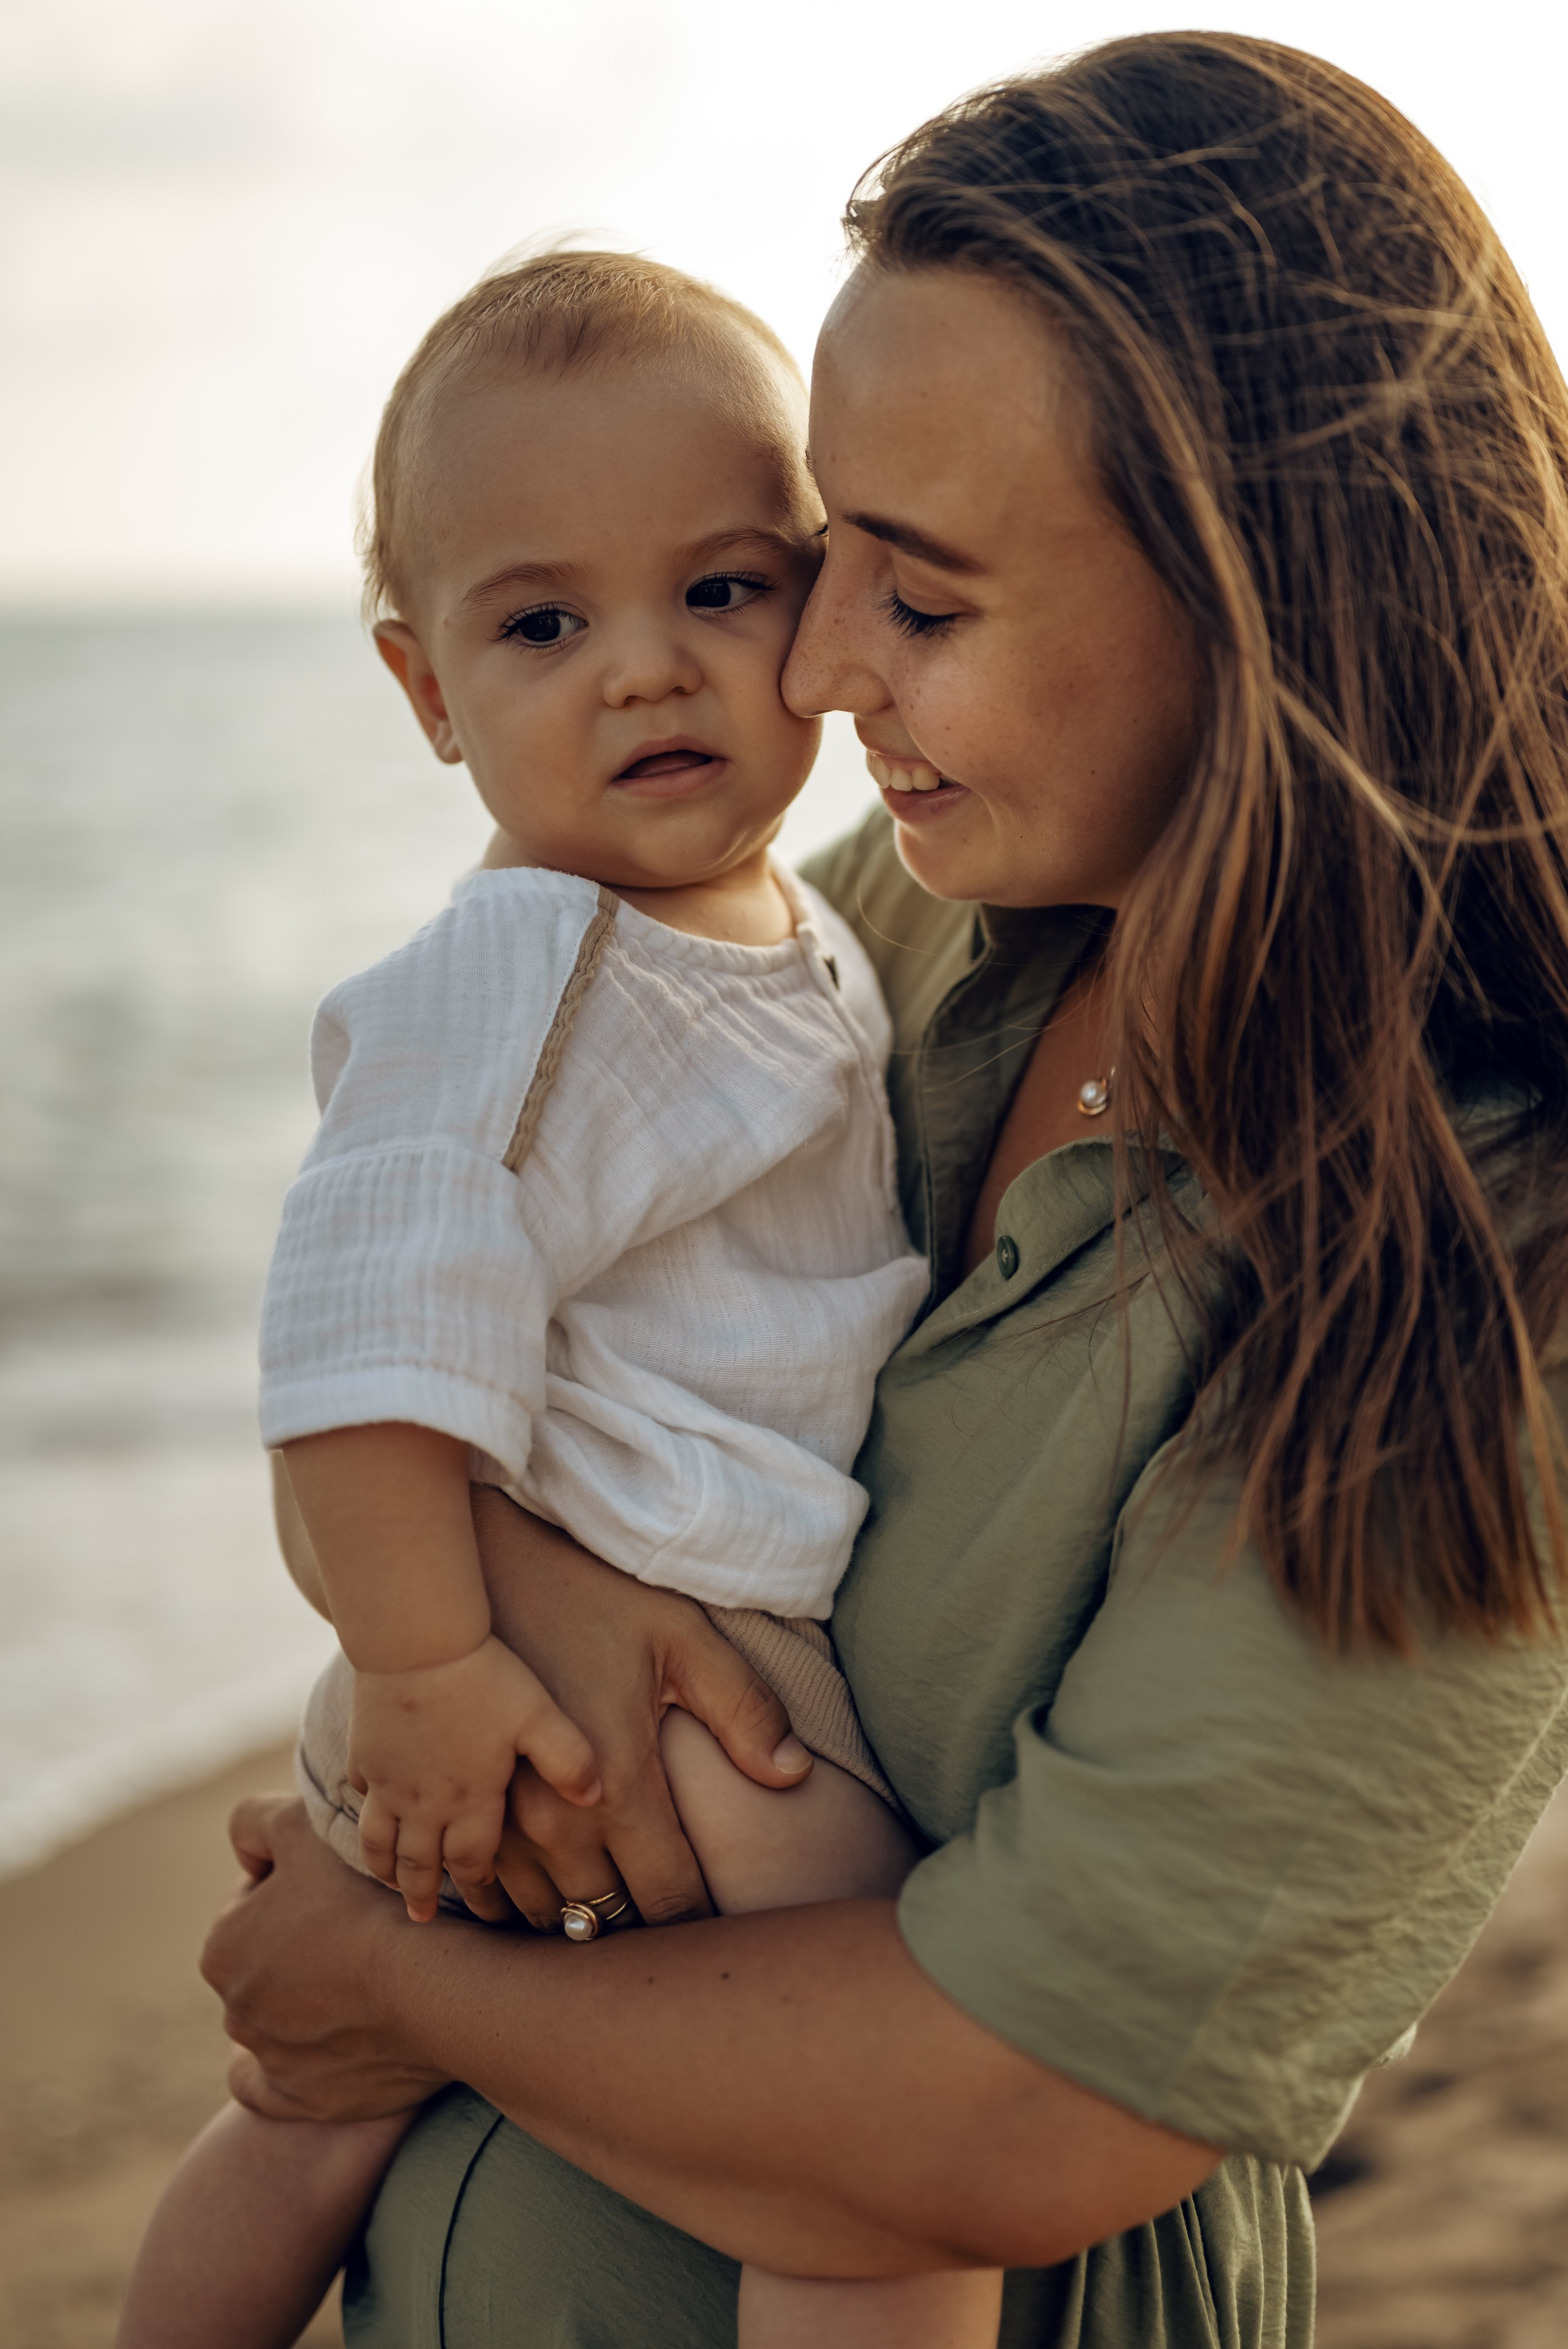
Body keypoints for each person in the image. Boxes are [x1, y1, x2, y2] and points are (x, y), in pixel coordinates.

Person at [195, 31, 1568, 2349]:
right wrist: (499, 1602)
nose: (815, 674)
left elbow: (1019, 2108)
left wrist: (396, 1980)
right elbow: (434, 1291)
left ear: (1265, 605)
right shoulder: (903, 928)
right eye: (818, 568)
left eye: (914, 604)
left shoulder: (1489, 1271)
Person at [116, 249, 987, 2349]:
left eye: (722, 590)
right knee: (881, 2157)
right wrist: (422, 1674)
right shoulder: (529, 974)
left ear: (827, 593)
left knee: (316, 2113)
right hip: (610, 1663)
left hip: (636, 1620)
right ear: (429, 695)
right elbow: (353, 1343)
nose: (646, 673)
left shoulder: (777, 923)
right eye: (543, 623)